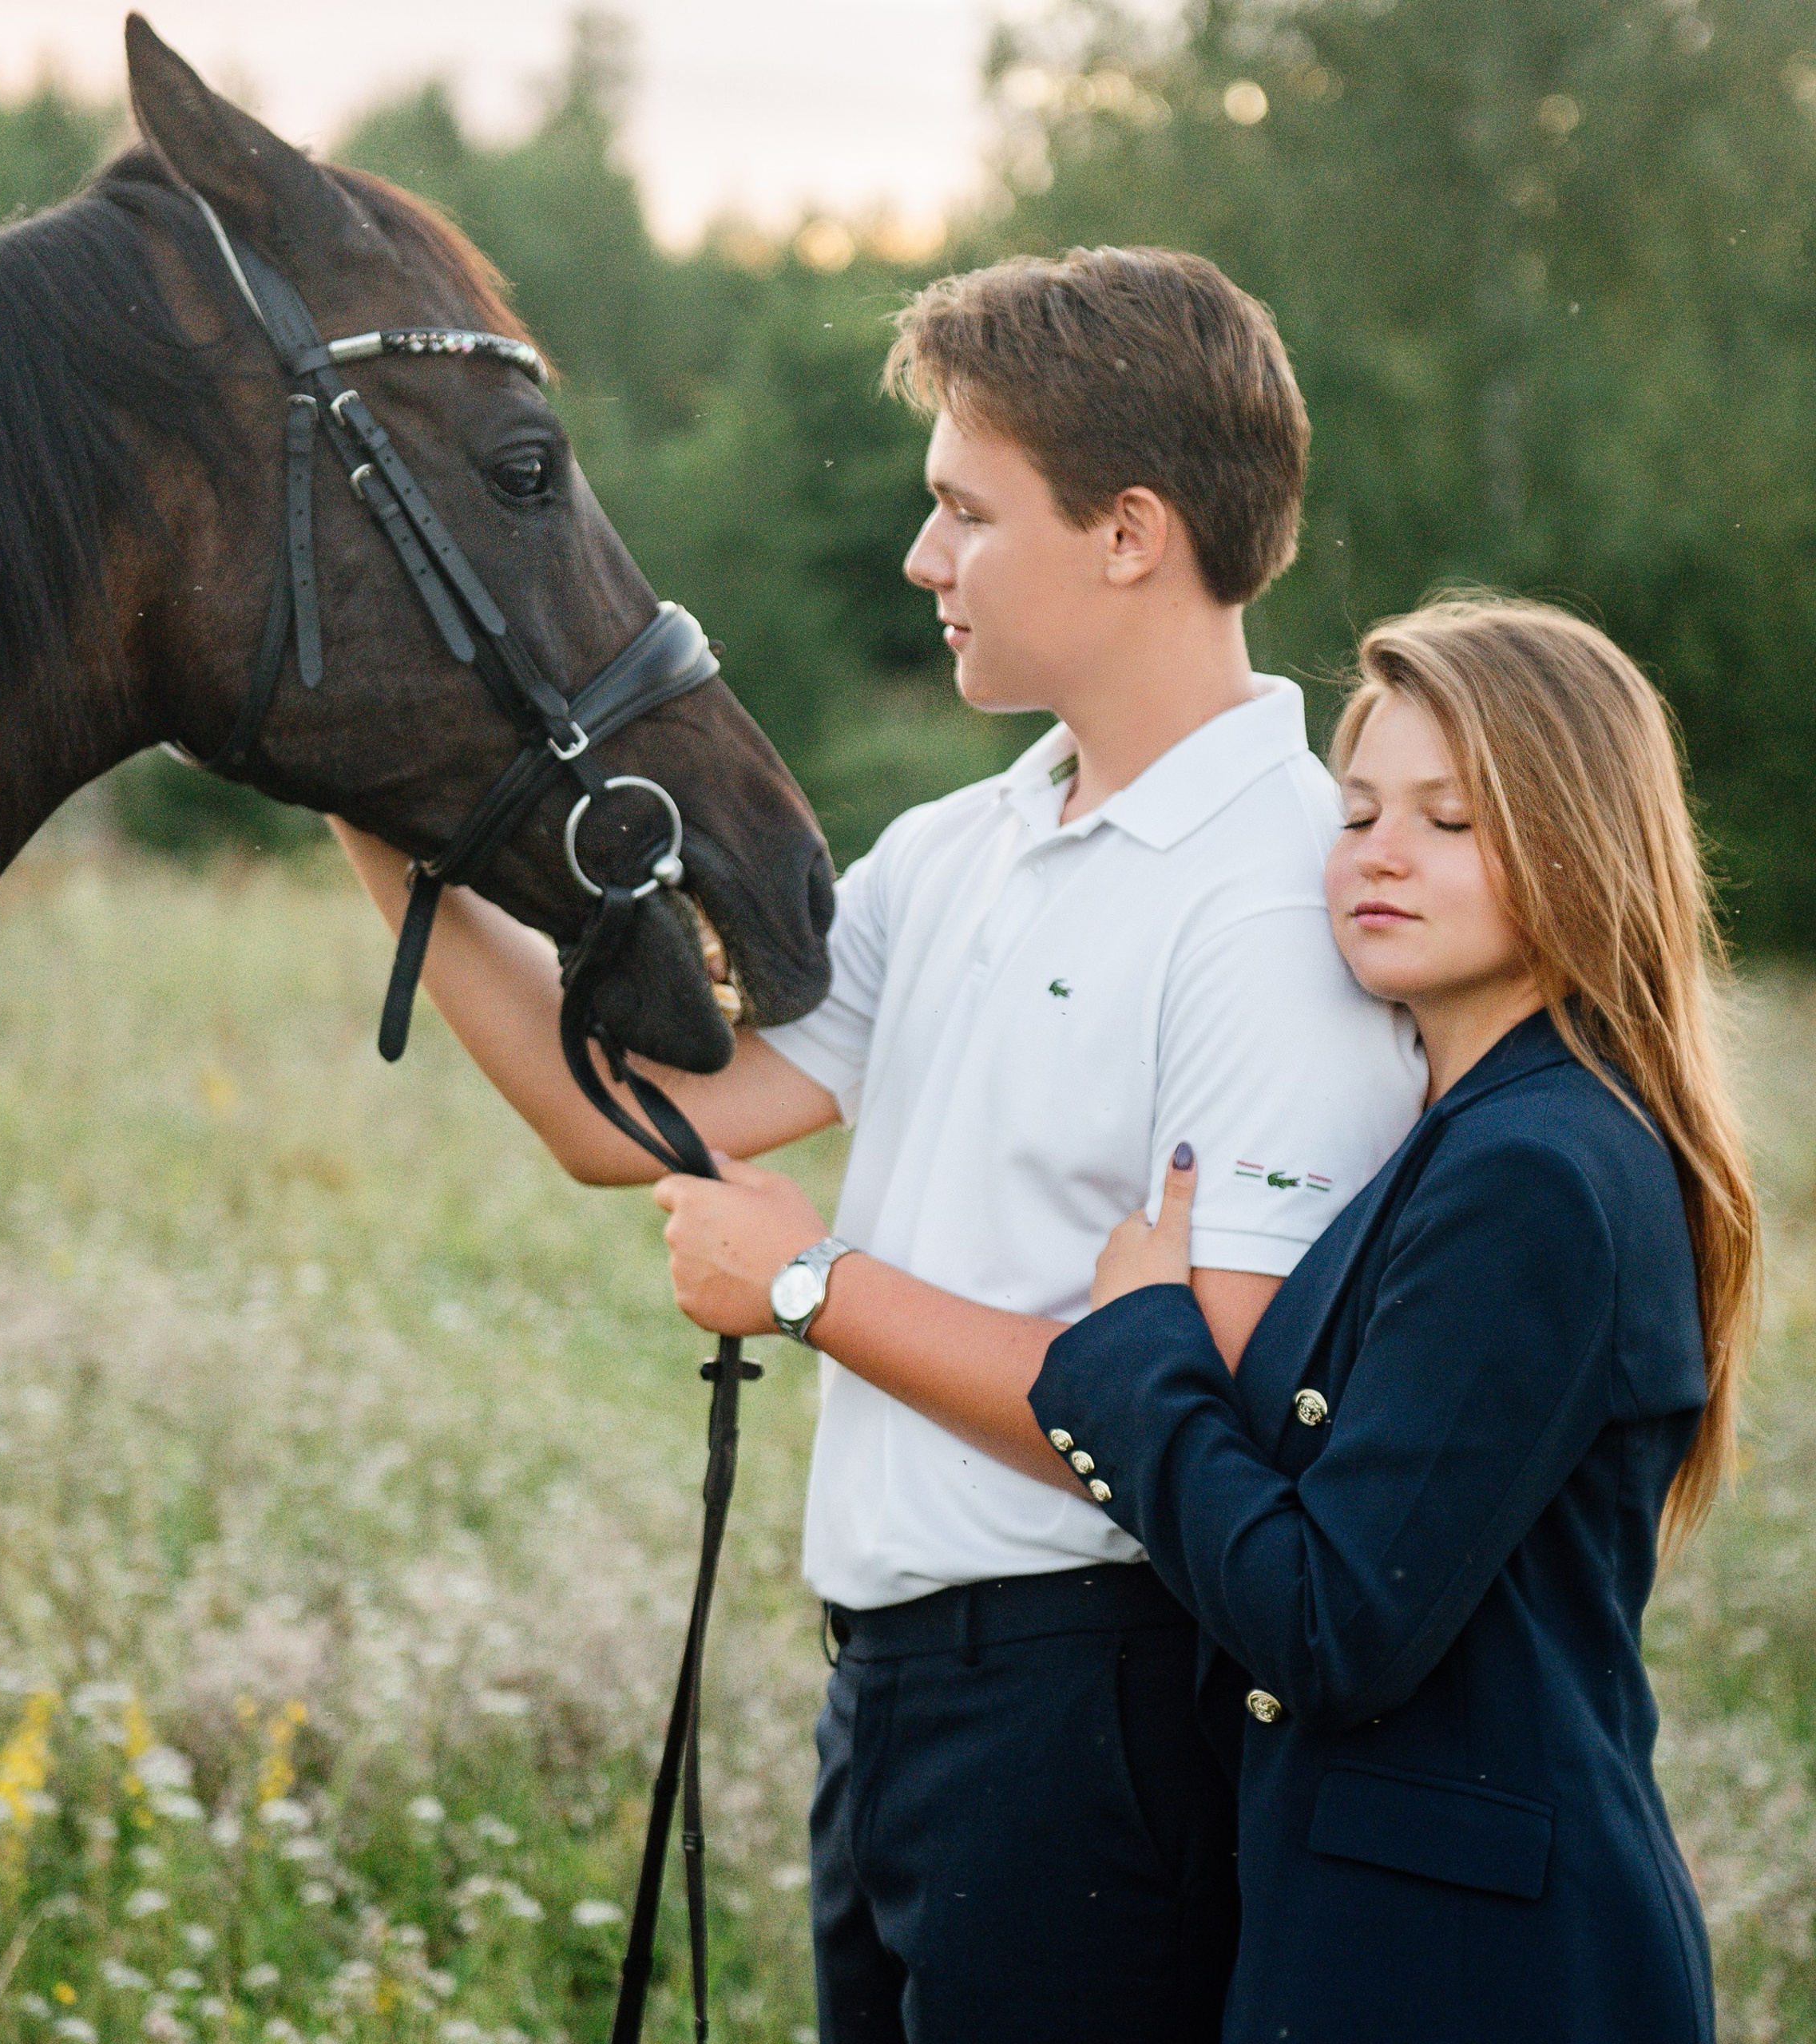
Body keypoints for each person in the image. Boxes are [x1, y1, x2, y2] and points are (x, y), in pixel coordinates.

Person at [333, 247, 1425, 2042]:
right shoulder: (956, 845)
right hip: (895, 1698)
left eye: (965, 512)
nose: (921, 557)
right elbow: (626, 1115)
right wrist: (373, 797)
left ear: (1131, 534)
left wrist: (808, 1285)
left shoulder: (1277, 906)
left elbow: (1213, 1433)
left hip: (1097, 1713)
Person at [1030, 596, 1757, 2042]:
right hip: (1403, 1932)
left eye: (1451, 819)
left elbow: (1332, 1623)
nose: (1378, 850)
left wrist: (1137, 1349)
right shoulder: (1476, 1136)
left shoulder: (1535, 1171)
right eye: (1358, 810)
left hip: (1475, 1967)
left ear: (1580, 841)